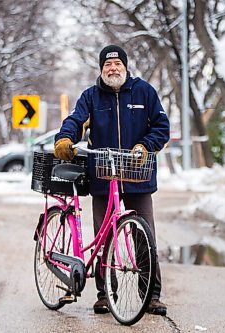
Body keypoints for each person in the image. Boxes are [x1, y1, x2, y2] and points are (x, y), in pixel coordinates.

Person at [53, 45, 170, 316]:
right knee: (104, 237)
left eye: (117, 63)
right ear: (101, 69)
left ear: (126, 67)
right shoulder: (91, 96)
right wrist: (65, 138)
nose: (113, 68)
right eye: (108, 65)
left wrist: (145, 145)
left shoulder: (145, 92)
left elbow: (162, 128)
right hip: (104, 178)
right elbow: (75, 120)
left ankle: (151, 296)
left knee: (145, 237)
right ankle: (105, 295)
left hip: (138, 177)